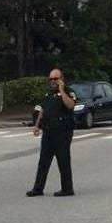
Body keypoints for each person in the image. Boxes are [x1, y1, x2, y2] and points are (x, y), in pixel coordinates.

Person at [27, 69, 78, 197]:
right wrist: (37, 125)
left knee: (63, 160)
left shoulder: (69, 91)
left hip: (62, 131)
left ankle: (67, 189)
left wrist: (61, 90)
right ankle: (38, 188)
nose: (53, 81)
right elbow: (43, 110)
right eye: (51, 79)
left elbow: (70, 105)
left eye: (56, 79)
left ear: (62, 79)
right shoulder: (48, 94)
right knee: (43, 161)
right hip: (48, 130)